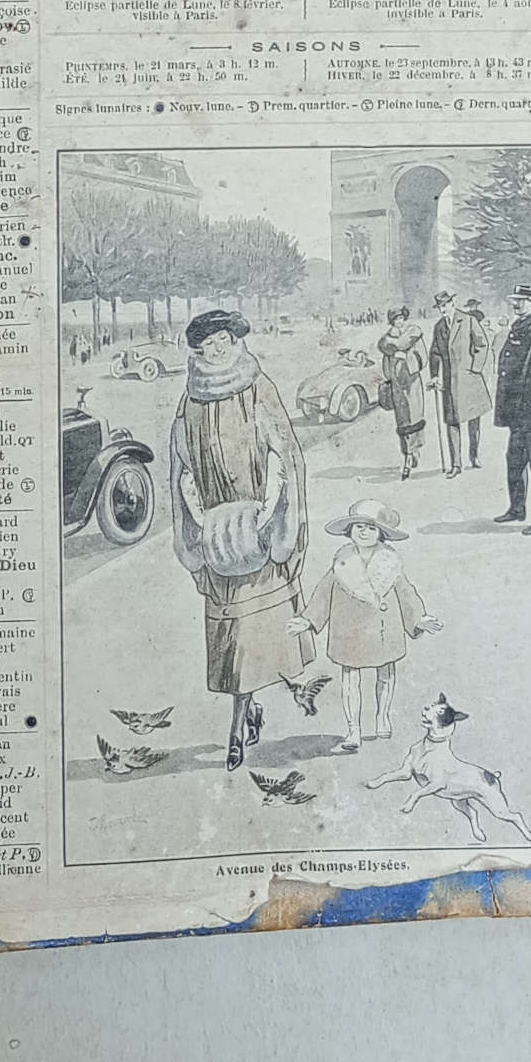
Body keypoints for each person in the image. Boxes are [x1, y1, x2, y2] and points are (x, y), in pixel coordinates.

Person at [168, 308, 310, 770]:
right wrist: (198, 530)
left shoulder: (257, 387)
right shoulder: (190, 402)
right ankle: (243, 713)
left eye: (223, 340)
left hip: (260, 536)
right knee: (233, 645)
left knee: (254, 638)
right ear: (199, 350)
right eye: (208, 344)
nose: (216, 349)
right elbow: (181, 472)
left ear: (234, 341)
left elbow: (284, 456)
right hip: (218, 542)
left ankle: (237, 726)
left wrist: (273, 519)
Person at [303, 499, 439, 752]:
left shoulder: (391, 563)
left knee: (385, 674)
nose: (363, 531)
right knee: (350, 678)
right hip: (349, 629)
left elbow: (406, 593)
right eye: (358, 526)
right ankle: (353, 729)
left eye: (371, 527)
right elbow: (323, 592)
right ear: (349, 530)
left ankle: (382, 716)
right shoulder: (341, 562)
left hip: (384, 628)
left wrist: (419, 618)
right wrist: (308, 619)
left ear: (382, 534)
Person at [492, 283, 531, 533]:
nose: (516, 304)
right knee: (514, 460)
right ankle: (517, 509)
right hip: (517, 412)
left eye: (521, 301)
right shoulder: (519, 326)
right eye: (514, 300)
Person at [428, 289, 494, 477]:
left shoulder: (468, 320)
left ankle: (474, 456)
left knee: (474, 420)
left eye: (445, 305)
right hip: (449, 382)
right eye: (439, 307)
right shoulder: (439, 327)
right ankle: (456, 464)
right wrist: (434, 375)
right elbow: (434, 352)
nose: (442, 309)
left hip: (470, 380)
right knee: (452, 422)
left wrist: (475, 368)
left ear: (452, 304)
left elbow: (482, 344)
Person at [376, 306, 428, 479]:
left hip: (413, 383)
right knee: (402, 420)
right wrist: (392, 370)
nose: (400, 322)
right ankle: (407, 454)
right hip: (398, 386)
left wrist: (409, 358)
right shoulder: (386, 340)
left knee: (415, 416)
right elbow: (386, 365)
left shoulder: (413, 334)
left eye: (401, 318)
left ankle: (415, 449)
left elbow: (423, 357)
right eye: (396, 319)